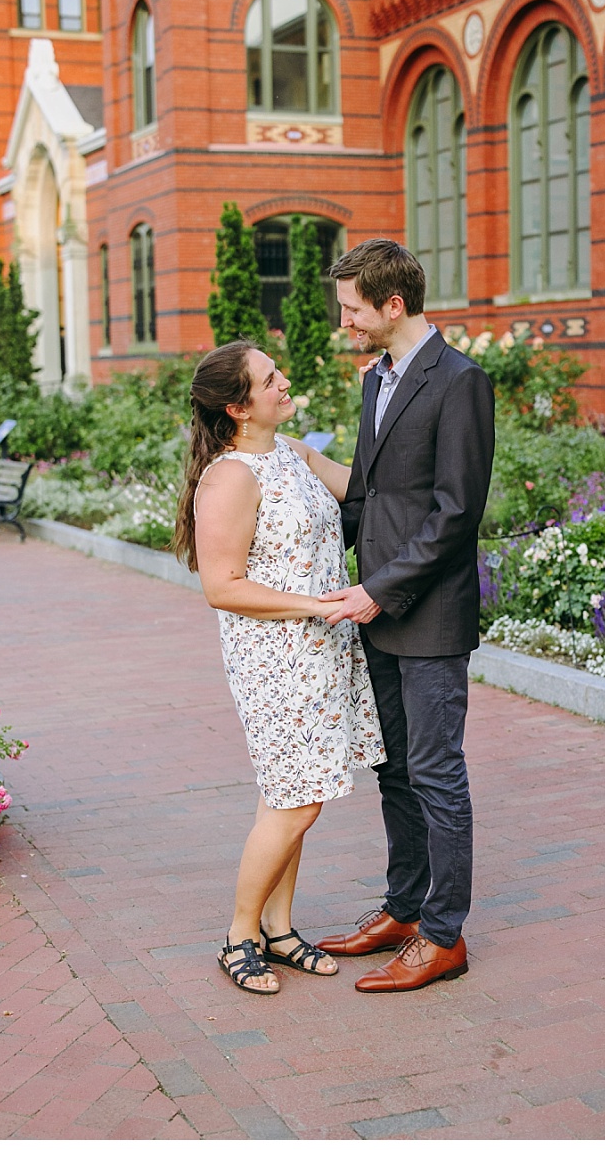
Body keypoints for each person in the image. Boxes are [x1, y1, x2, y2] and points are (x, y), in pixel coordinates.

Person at [173, 341, 385, 996]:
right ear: (238, 407)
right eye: (270, 379)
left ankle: (280, 926)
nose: (284, 381)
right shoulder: (231, 476)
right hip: (276, 660)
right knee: (297, 800)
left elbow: (365, 485)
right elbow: (222, 584)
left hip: (320, 650)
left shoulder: (290, 453)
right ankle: (239, 935)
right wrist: (311, 605)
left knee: (289, 793)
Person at [315, 238, 494, 993]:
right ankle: (404, 906)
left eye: (352, 309)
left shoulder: (460, 382)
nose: (344, 321)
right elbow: (368, 492)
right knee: (394, 769)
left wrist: (380, 589)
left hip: (425, 611)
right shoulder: (374, 379)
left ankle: (444, 936)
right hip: (376, 609)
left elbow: (456, 514)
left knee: (436, 771)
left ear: (394, 305)